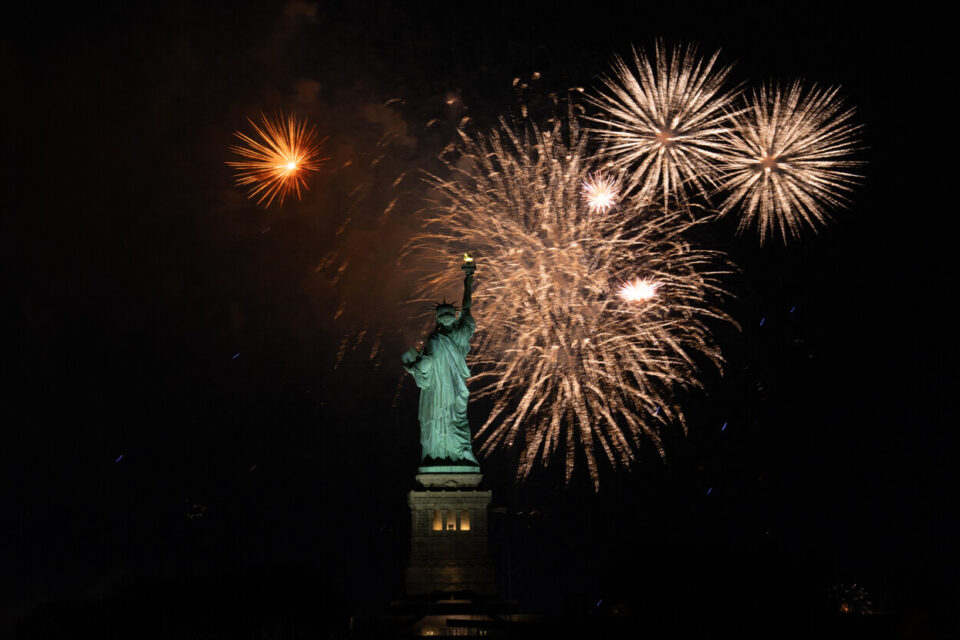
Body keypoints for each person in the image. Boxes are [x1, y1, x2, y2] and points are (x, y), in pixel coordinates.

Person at [402, 256, 479, 466]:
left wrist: (468, 280)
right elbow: (427, 364)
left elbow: (425, 365)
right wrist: (414, 368)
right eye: (444, 314)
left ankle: (452, 454)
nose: (445, 317)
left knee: (449, 420)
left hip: (445, 391)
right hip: (446, 391)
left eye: (445, 314)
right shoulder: (446, 337)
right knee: (452, 420)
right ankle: (450, 455)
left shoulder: (446, 337)